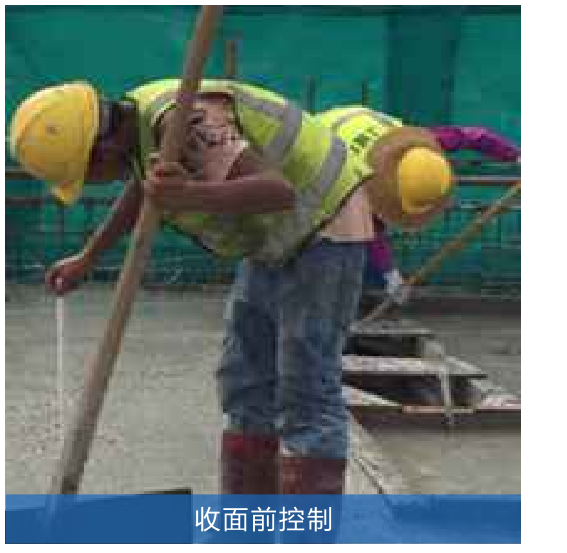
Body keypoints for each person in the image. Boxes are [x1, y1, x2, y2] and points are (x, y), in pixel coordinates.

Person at [10, 78, 453, 494]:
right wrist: (89, 256)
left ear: (101, 149)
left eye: (86, 176)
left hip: (327, 222)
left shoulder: (191, 124)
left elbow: (277, 191)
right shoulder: (133, 128)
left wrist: (188, 196)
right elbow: (147, 187)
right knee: (244, 378)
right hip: (271, 237)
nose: (91, 184)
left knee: (306, 386)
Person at [314, 106, 521, 307]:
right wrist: (390, 274)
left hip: (357, 122)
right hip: (319, 147)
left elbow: (475, 137)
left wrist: (517, 156)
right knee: (340, 245)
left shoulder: (419, 150)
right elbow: (371, 229)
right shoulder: (356, 178)